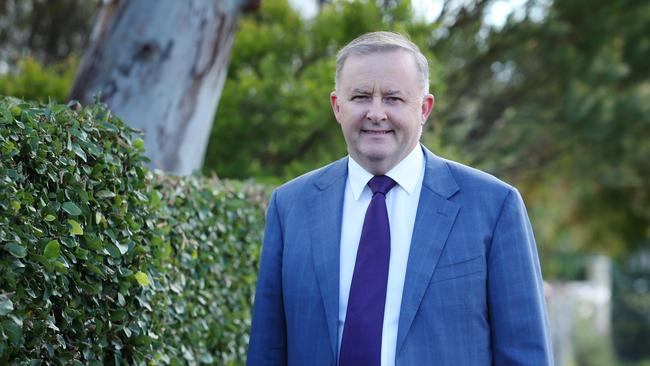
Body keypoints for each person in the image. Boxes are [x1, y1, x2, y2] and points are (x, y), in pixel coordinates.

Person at [247, 31, 553, 366]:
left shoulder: (494, 207)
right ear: (337, 106)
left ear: (424, 108)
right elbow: (268, 351)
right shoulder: (290, 207)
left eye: (393, 99)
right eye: (361, 96)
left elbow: (525, 355)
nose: (376, 113)